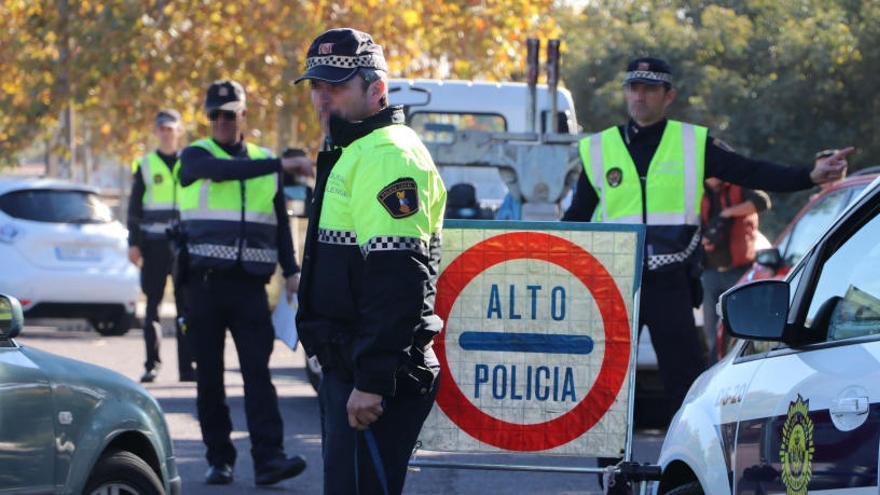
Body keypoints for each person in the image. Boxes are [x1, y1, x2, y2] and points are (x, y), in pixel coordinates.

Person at [562, 56, 852, 417]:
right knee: (609, 383)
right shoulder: (598, 148)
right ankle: (609, 472)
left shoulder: (692, 142)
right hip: (617, 283)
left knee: (684, 382)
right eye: (633, 88)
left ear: (669, 95)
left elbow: (750, 170)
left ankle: (677, 468)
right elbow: (575, 219)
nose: (639, 97)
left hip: (672, 283)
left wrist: (809, 176)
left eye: (650, 89)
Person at [293, 28, 447, 495]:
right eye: (317, 86)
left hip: (375, 378)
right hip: (352, 366)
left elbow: (398, 279)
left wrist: (373, 381)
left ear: (376, 89)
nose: (322, 98)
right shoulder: (355, 151)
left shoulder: (387, 155)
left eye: (336, 86)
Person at [177, 79, 314, 486]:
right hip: (201, 286)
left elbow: (280, 224)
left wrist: (292, 271)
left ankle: (269, 460)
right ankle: (219, 459)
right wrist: (282, 165)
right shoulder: (196, 155)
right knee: (210, 379)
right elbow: (220, 171)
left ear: (243, 117)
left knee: (258, 376)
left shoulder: (263, 160)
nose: (220, 122)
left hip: (250, 287)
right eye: (214, 115)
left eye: (229, 114)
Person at [127, 109, 195, 383]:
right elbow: (134, 209)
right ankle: (152, 365)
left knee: (186, 307)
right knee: (152, 306)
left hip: (183, 245)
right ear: (156, 132)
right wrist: (134, 244)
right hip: (154, 244)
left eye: (171, 128)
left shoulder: (191, 162)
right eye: (162, 129)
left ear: (179, 131)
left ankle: (186, 368)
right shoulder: (145, 166)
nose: (167, 133)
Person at [700, 177, 771, 363]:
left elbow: (762, 202)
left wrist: (728, 213)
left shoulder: (738, 183)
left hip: (739, 272)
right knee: (711, 332)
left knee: (742, 328)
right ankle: (714, 371)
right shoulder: (697, 188)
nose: (712, 176)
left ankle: (742, 367)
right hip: (710, 272)